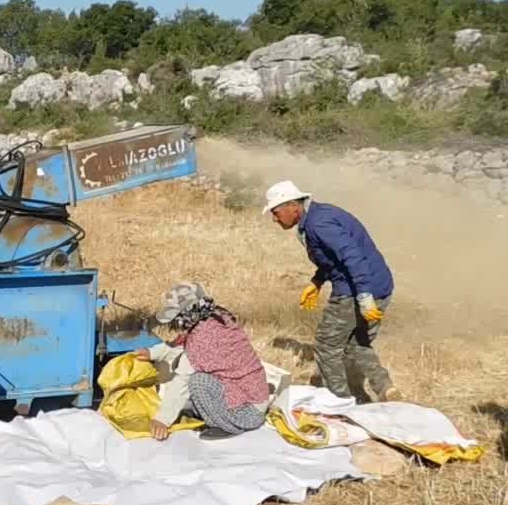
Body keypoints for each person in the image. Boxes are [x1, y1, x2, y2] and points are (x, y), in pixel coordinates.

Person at [263, 180, 401, 403]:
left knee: (327, 345)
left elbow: (352, 257)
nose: (274, 219)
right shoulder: (321, 215)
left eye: (276, 213)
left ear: (293, 207)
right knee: (357, 344)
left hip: (356, 289)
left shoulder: (319, 224)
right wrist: (317, 282)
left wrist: (364, 296)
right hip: (380, 285)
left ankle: (339, 402)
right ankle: (385, 387)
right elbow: (334, 259)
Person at [132, 282, 273, 440]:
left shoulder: (202, 338)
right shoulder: (215, 318)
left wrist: (162, 420)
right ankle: (220, 415)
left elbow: (182, 379)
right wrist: (152, 353)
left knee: (197, 382)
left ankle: (226, 425)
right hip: (254, 398)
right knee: (197, 382)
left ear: (185, 315)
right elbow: (184, 346)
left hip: (248, 411)